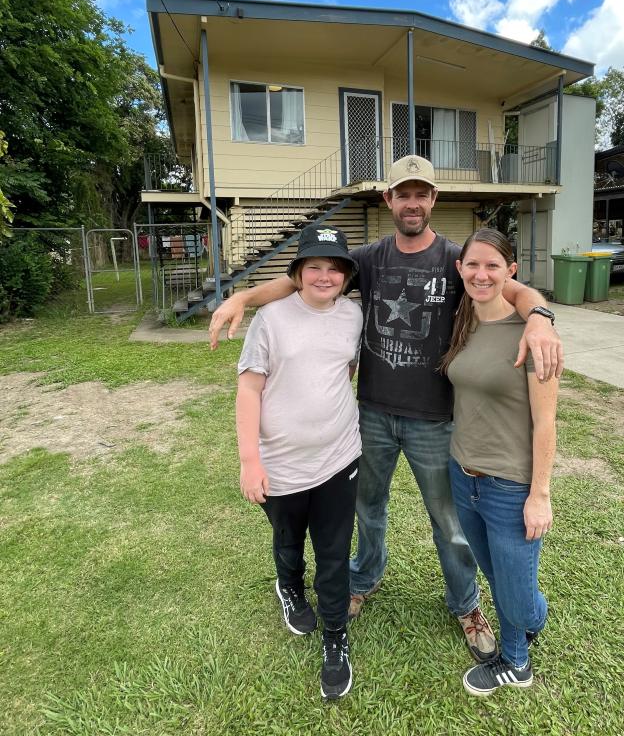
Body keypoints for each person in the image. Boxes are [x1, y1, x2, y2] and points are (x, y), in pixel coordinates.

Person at [215, 155, 563, 664]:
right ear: (389, 200)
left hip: (435, 418)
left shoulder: (455, 258)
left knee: (449, 521)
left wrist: (540, 317)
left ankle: (465, 604)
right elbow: (300, 280)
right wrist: (245, 296)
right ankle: (364, 578)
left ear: (433, 200)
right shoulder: (370, 258)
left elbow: (513, 287)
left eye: (422, 193)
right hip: (372, 414)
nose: (413, 202)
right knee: (367, 509)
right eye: (404, 193)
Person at [236, 225, 362, 700]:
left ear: (346, 276)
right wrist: (251, 460)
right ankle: (289, 586)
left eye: (334, 268)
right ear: (297, 273)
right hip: (282, 463)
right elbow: (249, 389)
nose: (324, 276)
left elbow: (344, 371)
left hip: (339, 458)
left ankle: (335, 638)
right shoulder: (271, 318)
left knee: (333, 554)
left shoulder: (353, 316)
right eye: (314, 267)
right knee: (289, 539)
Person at [440, 228, 557, 696]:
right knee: (498, 575)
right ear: (460, 269)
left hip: (509, 484)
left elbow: (546, 422)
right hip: (462, 474)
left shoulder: (535, 336)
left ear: (511, 271)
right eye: (472, 264)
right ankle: (528, 618)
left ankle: (516, 662)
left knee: (513, 589)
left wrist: (540, 494)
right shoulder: (464, 321)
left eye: (493, 265)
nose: (481, 274)